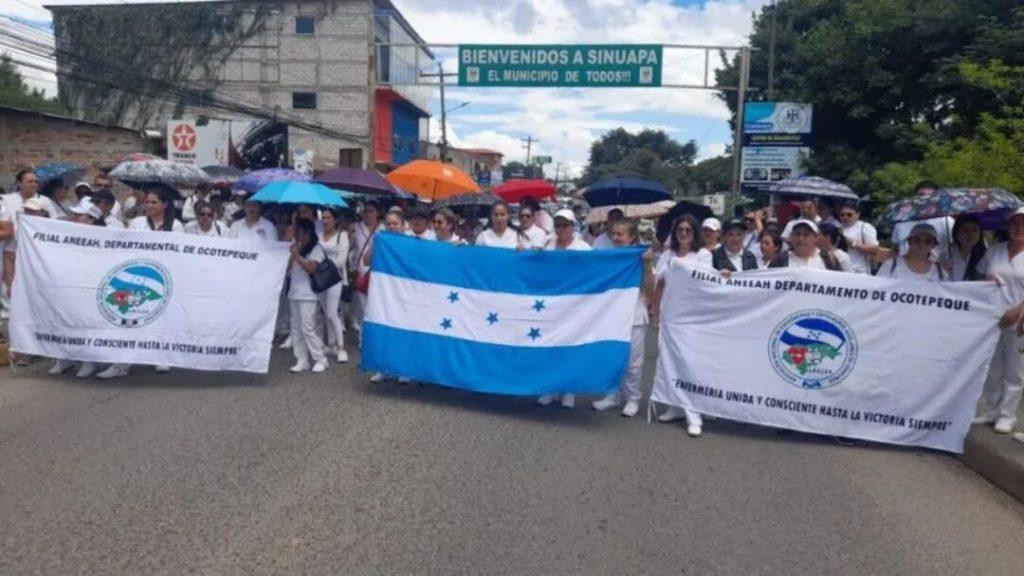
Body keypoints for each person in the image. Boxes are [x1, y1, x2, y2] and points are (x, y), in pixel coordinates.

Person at [98, 188, 182, 379]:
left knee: (160, 317)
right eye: (148, 202)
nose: (150, 206)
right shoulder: (137, 223)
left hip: (161, 277)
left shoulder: (175, 225)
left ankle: (160, 356)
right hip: (136, 275)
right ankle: (121, 363)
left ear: (165, 205)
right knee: (128, 319)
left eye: (154, 202)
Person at [652, 214, 712, 436]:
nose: (684, 233)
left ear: (694, 233)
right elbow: (659, 284)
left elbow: (705, 283)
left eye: (688, 230)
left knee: (689, 364)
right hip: (670, 317)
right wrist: (655, 313)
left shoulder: (703, 255)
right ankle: (675, 406)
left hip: (692, 319)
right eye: (680, 230)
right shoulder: (667, 254)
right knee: (669, 362)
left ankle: (693, 412)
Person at [591, 218, 654, 419]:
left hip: (635, 314)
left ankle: (633, 397)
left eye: (621, 234)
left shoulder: (642, 257)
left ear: (632, 237)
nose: (616, 238)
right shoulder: (609, 257)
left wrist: (647, 265)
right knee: (611, 355)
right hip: (611, 314)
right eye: (614, 234)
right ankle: (613, 394)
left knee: (633, 361)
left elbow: (650, 289)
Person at [537, 210, 592, 408]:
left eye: (565, 225)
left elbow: (593, 273)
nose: (561, 229)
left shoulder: (582, 248)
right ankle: (550, 388)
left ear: (573, 226)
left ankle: (569, 389)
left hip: (574, 305)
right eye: (558, 225)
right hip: (550, 304)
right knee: (550, 346)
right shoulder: (547, 245)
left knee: (570, 346)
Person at [977, 208, 1024, 434]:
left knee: (1015, 371)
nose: (1019, 228)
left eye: (1023, 224)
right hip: (992, 318)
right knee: (992, 368)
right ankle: (990, 410)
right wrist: (988, 280)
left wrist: (1018, 310)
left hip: (1020, 320)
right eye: (1015, 224)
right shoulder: (995, 251)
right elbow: (982, 278)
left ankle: (1007, 415)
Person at [366, 210, 412, 384]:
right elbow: (365, 261)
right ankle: (383, 368)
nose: (392, 227)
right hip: (385, 292)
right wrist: (375, 244)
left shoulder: (410, 242)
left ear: (402, 224)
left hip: (405, 293)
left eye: (395, 223)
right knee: (384, 326)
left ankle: (403, 369)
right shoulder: (382, 241)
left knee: (402, 329)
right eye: (389, 223)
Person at [1, 169, 56, 300]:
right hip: (13, 247)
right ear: (19, 183)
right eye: (29, 181)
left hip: (37, 250)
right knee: (11, 287)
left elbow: (54, 225)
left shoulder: (45, 201)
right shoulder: (7, 200)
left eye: (36, 182)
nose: (33, 184)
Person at [286, 218, 329, 373]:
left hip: (308, 294)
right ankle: (302, 359)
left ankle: (320, 359)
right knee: (296, 328)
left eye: (298, 231)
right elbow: (287, 269)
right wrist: (292, 254)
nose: (296, 234)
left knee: (308, 328)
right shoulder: (294, 247)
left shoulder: (316, 248)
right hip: (294, 292)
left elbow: (312, 268)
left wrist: (297, 255)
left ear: (308, 232)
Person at [319, 207, 350, 364]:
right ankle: (330, 344)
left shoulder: (342, 236)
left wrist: (322, 267)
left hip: (334, 278)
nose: (325, 221)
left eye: (328, 217)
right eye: (323, 218)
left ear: (335, 219)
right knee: (325, 313)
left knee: (332, 313)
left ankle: (341, 347)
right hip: (319, 279)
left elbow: (341, 259)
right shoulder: (319, 236)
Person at [891, 180, 954, 257]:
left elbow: (955, 248)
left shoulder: (947, 222)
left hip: (935, 267)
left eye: (931, 196)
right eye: (921, 195)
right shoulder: (902, 221)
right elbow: (895, 248)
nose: (925, 199)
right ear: (914, 198)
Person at [350, 199, 382, 333]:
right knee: (363, 306)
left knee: (375, 306)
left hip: (377, 271)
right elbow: (350, 247)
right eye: (365, 211)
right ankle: (362, 337)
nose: (368, 214)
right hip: (360, 270)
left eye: (371, 211)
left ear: (378, 213)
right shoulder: (355, 227)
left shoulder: (383, 228)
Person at [877, 223, 944, 281]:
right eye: (917, 240)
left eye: (927, 241)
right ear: (909, 241)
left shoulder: (939, 271)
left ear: (933, 245)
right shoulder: (891, 265)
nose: (922, 244)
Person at [769, 219, 842, 270]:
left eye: (806, 235)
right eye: (797, 234)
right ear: (791, 237)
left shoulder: (828, 259)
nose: (801, 239)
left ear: (816, 237)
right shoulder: (780, 260)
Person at [837, 202, 880, 274]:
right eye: (842, 215)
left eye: (849, 215)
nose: (845, 217)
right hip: (842, 269)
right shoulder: (838, 228)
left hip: (859, 270)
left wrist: (854, 245)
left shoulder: (864, 227)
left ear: (858, 214)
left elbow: (875, 249)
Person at [944, 215, 987, 281]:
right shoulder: (947, 254)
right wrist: (942, 270)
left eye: (974, 230)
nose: (970, 235)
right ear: (956, 233)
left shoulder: (986, 255)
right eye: (965, 230)